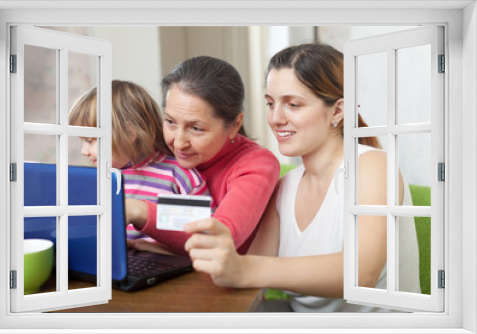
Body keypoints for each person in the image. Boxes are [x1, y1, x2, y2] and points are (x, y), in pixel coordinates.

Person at [183, 44, 421, 312]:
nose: (275, 118)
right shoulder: (285, 186)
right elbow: (242, 272)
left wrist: (244, 268)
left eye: (292, 104)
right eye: (271, 103)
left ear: (338, 111)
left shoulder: (374, 166)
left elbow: (360, 273)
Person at [125, 56, 281, 256]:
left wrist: (141, 211)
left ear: (234, 125)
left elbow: (221, 235)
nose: (178, 142)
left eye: (196, 128)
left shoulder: (257, 164)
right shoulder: (158, 152)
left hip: (219, 284)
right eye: (170, 122)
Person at [68, 80, 210, 238]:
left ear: (129, 133)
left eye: (90, 141)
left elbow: (206, 232)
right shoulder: (99, 180)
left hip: (167, 260)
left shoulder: (179, 175)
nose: (84, 151)